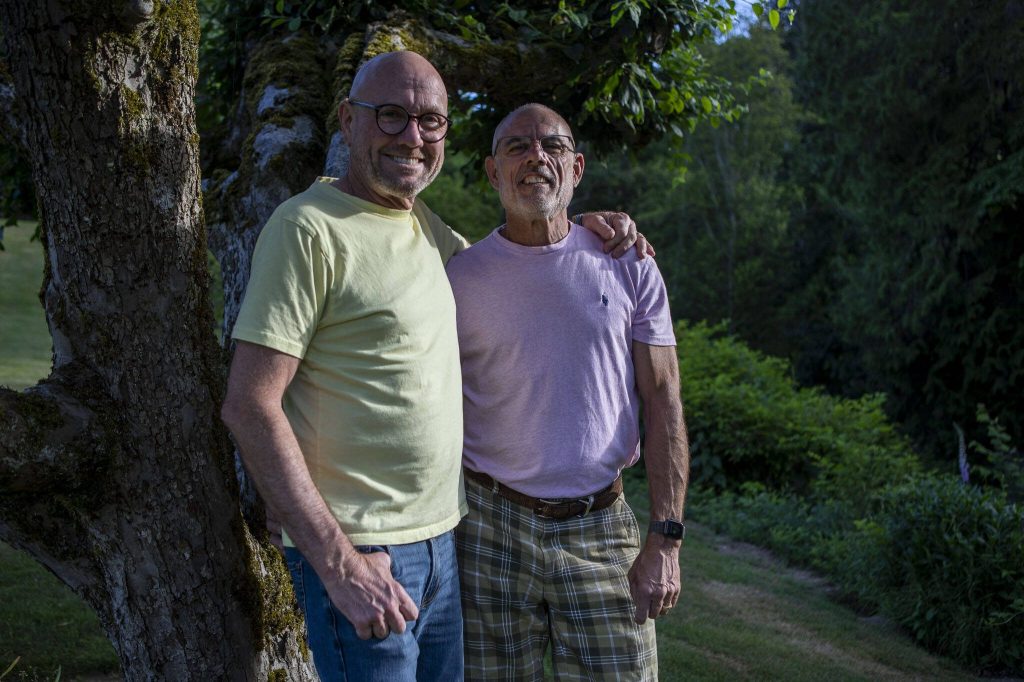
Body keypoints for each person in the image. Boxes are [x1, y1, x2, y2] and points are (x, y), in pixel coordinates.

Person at [221, 52, 644, 681]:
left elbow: (517, 262)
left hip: (448, 544)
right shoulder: (307, 230)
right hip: (365, 554)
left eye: (431, 121)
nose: (412, 137)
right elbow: (249, 405)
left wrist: (579, 226)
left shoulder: (423, 227)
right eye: (391, 116)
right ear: (348, 120)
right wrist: (340, 565)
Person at [446, 103, 690, 681]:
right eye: (517, 147)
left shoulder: (628, 263)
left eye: (552, 146)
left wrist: (666, 539)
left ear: (576, 167)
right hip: (488, 528)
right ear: (491, 170)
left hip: (601, 526)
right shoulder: (458, 278)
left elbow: (664, 402)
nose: (536, 157)